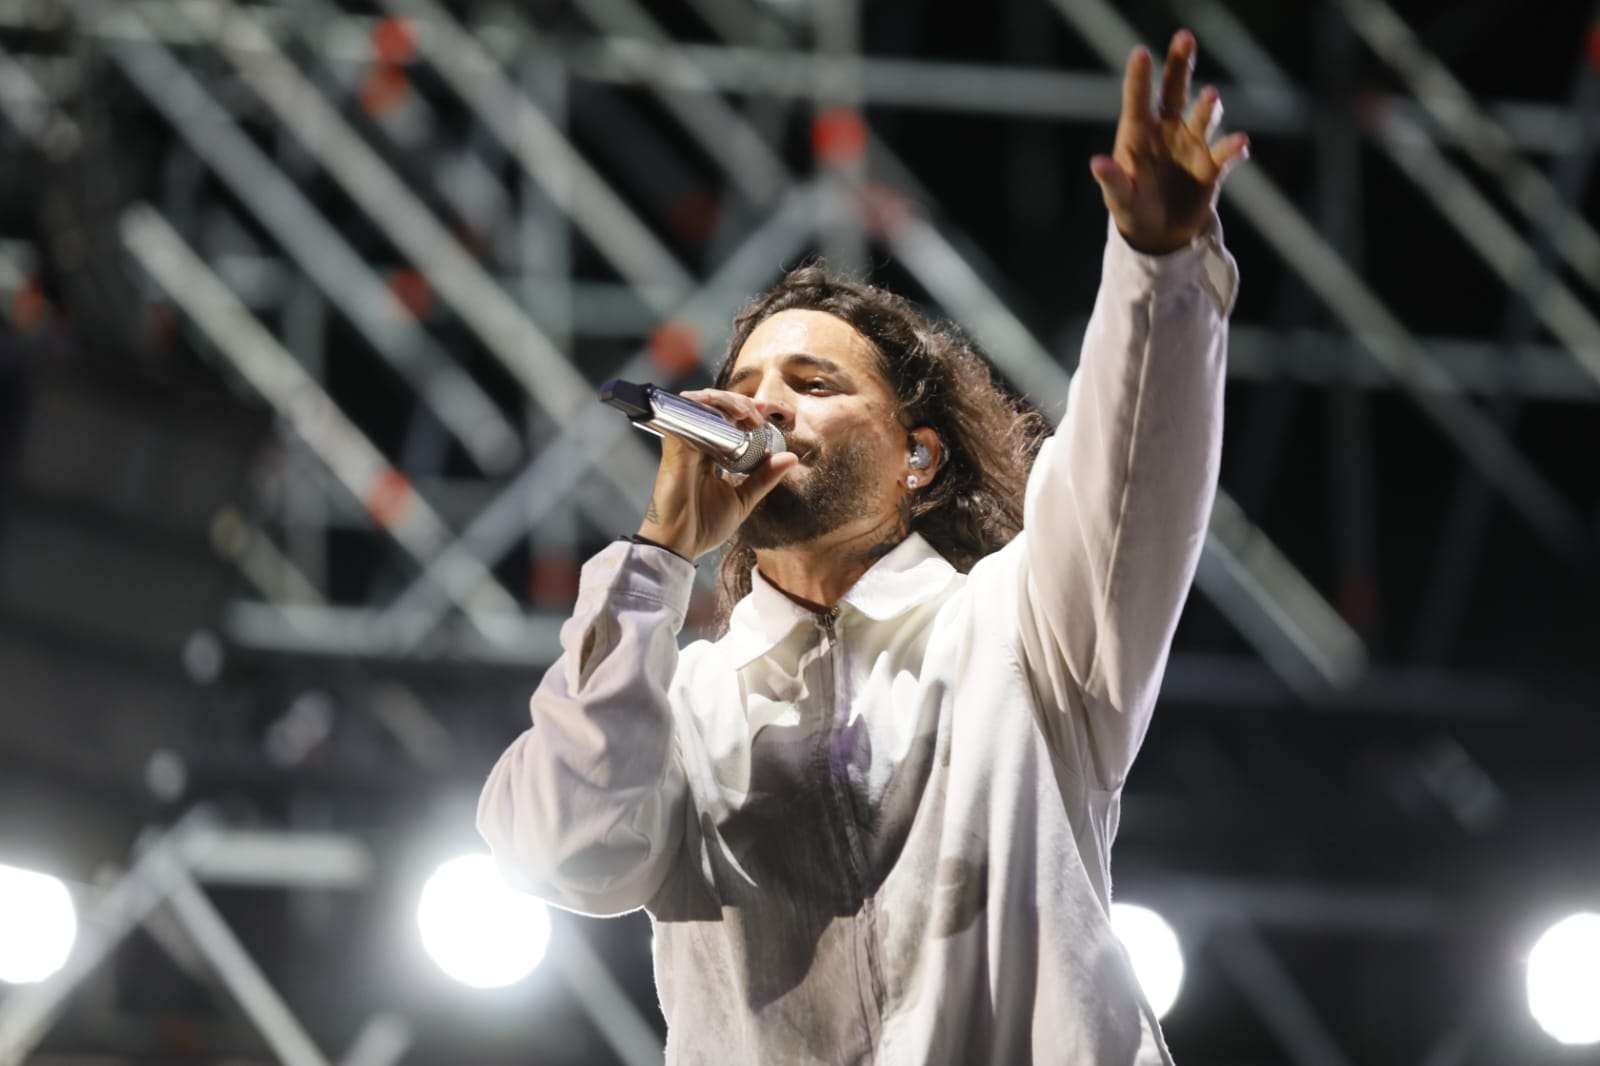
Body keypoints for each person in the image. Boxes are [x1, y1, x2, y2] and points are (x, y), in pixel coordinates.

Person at [478, 28, 1248, 1066]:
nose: (765, 410)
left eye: (814, 384)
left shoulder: (1017, 629)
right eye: (746, 389)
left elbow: (1132, 472)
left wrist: (1156, 265)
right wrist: (659, 553)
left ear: (918, 457)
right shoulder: (687, 704)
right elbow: (561, 850)